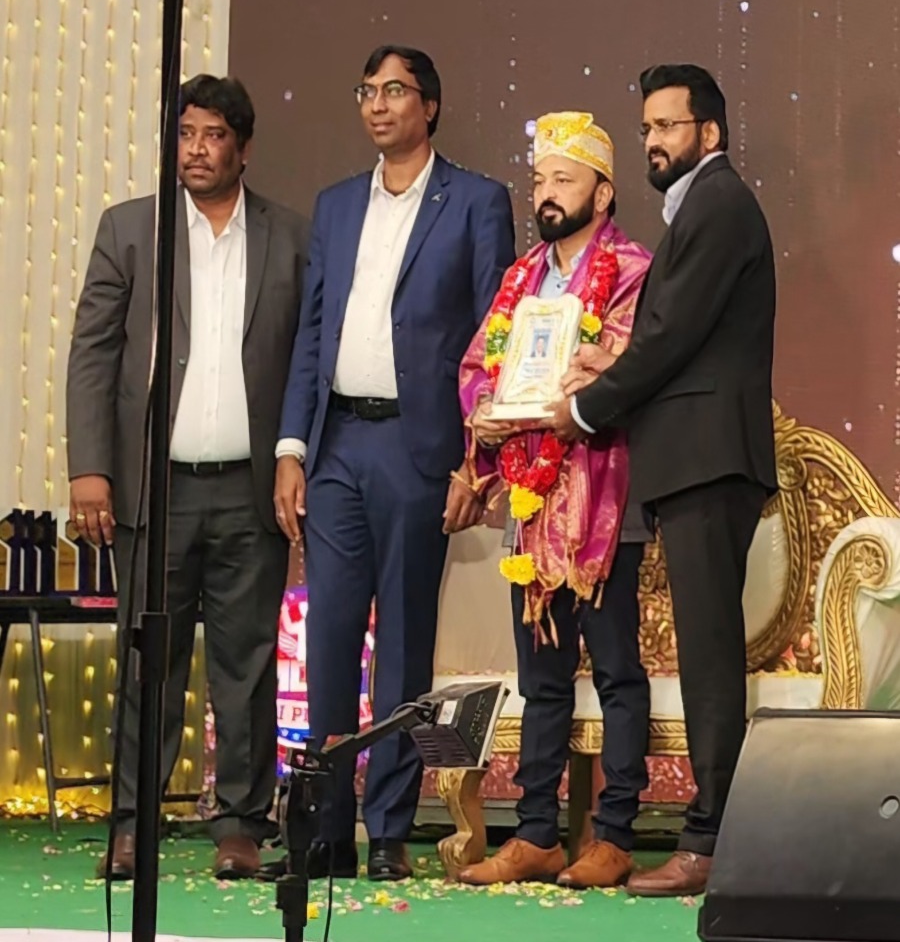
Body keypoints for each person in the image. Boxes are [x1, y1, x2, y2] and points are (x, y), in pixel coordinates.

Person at [274, 45, 516, 882]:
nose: (377, 105)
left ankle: (388, 831)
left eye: (394, 91)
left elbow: (493, 336)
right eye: (366, 91)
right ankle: (325, 830)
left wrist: (475, 461)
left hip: (420, 448)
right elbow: (312, 334)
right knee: (331, 639)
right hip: (338, 443)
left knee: (406, 648)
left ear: (430, 105)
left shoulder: (476, 201)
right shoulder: (337, 205)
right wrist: (293, 448)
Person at [66, 75, 307, 880]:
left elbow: (304, 361)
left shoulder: (290, 237)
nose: (197, 150)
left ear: (244, 146)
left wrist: (295, 457)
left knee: (247, 668)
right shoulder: (132, 229)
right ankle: (133, 824)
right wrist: (91, 469)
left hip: (249, 490)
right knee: (149, 663)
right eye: (186, 134)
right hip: (154, 492)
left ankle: (239, 824)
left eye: (213, 135)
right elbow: (93, 354)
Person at [544, 65, 777, 897]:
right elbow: (678, 338)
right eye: (645, 127)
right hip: (694, 457)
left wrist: (587, 407)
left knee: (709, 655)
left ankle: (711, 841)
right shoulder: (700, 206)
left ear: (708, 133)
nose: (652, 140)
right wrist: (612, 364)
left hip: (709, 458)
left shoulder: (717, 203)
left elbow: (672, 335)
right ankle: (712, 835)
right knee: (706, 648)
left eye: (668, 126)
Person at [454, 112, 653, 888]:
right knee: (541, 677)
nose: (547, 193)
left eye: (564, 180)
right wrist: (484, 404)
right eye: (540, 179)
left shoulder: (634, 270)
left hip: (606, 495)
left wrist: (585, 379)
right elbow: (481, 362)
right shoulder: (520, 281)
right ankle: (536, 832)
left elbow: (633, 363)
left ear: (602, 194)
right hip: (534, 505)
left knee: (617, 672)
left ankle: (615, 833)